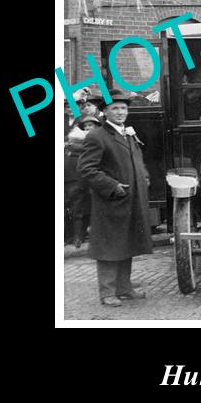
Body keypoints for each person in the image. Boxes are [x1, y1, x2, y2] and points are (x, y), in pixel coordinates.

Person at [77, 91, 153, 306]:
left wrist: (144, 175)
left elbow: (137, 160)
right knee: (110, 246)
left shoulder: (127, 134)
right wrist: (112, 186)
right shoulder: (97, 136)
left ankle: (124, 288)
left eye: (124, 108)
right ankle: (107, 292)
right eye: (115, 109)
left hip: (131, 199)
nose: (120, 112)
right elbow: (87, 169)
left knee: (126, 242)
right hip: (111, 200)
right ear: (105, 112)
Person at [65, 115, 100, 248]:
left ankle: (80, 236)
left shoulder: (97, 138)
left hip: (90, 177)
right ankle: (76, 236)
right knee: (77, 207)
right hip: (77, 177)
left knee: (82, 208)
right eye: (85, 126)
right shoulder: (76, 140)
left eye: (90, 125)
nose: (87, 128)